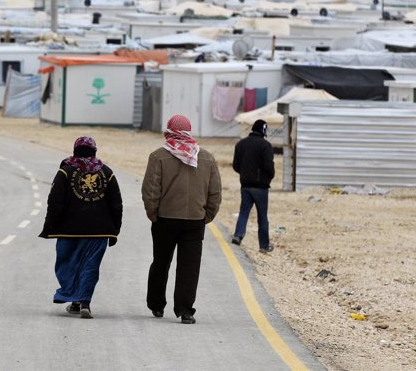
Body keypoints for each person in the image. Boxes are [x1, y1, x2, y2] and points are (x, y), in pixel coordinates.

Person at [141, 114, 221, 324]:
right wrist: (206, 216)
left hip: (165, 219)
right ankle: (185, 310)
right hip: (195, 221)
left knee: (161, 262)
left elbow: (150, 190)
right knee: (189, 267)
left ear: (168, 131)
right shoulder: (206, 158)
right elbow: (215, 193)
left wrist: (153, 214)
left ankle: (156, 305)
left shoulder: (158, 156)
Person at [39, 136, 123, 319]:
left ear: (75, 150)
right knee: (90, 266)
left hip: (68, 230)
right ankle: (84, 302)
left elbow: (54, 201)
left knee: (68, 264)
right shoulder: (106, 172)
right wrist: (115, 229)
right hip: (99, 230)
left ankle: (73, 297)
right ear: (94, 151)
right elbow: (116, 203)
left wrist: (48, 226)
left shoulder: (65, 171)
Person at [231, 119, 275, 253]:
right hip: (261, 187)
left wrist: (245, 174)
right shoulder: (265, 145)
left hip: (245, 185)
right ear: (263, 130)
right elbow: (269, 166)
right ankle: (264, 246)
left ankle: (238, 235)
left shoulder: (240, 144)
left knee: (244, 212)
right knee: (262, 217)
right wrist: (269, 176)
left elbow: (235, 165)